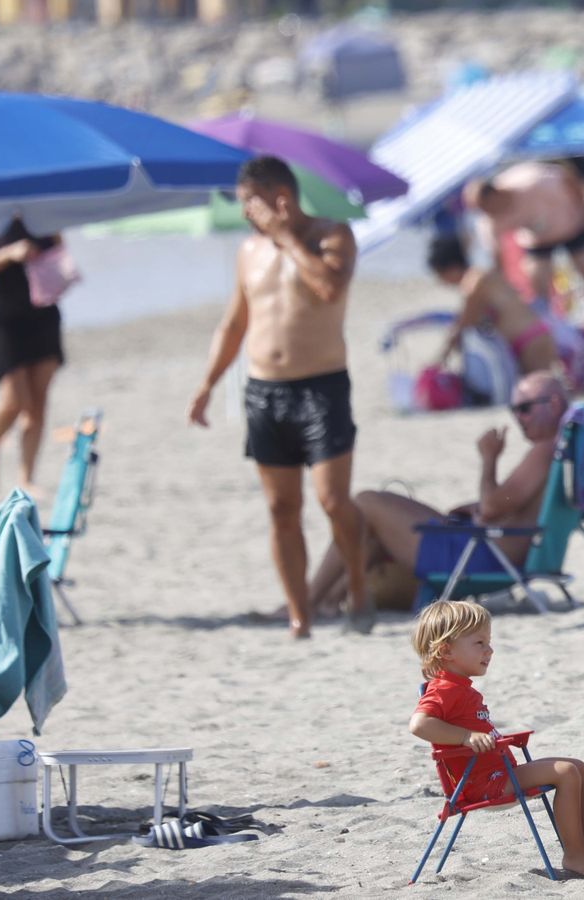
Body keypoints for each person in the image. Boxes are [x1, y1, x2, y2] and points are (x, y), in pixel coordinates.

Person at [187, 155, 369, 639]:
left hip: (322, 387)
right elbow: (235, 322)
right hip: (265, 392)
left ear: (281, 198)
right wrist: (206, 385)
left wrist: (288, 238)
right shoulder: (248, 251)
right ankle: (299, 615)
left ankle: (357, 583)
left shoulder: (332, 236)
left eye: (251, 201)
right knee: (281, 509)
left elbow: (329, 289)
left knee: (332, 501)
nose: (245, 212)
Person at [305, 372, 570, 617]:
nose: (518, 418)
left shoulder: (545, 450)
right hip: (489, 546)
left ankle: (308, 602)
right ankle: (328, 600)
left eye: (525, 409)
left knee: (366, 503)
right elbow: (515, 506)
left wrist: (489, 459)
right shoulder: (563, 451)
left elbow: (491, 508)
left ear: (554, 404)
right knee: (373, 527)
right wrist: (479, 508)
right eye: (514, 410)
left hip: (480, 557)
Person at [409, 600, 584, 879]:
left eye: (489, 642)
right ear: (446, 650)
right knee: (567, 772)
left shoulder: (461, 688)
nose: (490, 650)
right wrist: (465, 737)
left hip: (499, 773)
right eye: (479, 643)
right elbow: (419, 724)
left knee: (579, 767)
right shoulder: (443, 689)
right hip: (484, 784)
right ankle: (574, 854)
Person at [464, 162, 584, 380]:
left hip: (572, 228)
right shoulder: (490, 220)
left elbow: (570, 178)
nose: (491, 214)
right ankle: (555, 357)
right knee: (539, 301)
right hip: (537, 243)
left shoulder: (532, 181)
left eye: (489, 208)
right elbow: (499, 262)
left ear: (496, 195)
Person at [0, 218, 64, 490]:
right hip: (1, 319)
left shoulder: (45, 217)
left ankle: (26, 478)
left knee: (37, 404)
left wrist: (59, 272)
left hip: (42, 314)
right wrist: (9, 254)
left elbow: (60, 256)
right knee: (13, 399)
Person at [426, 234, 560, 376]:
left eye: (440, 276)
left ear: (451, 268)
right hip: (534, 333)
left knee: (539, 391)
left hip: (528, 340)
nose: (443, 282)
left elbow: (463, 325)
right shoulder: (486, 274)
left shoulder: (473, 283)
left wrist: (439, 359)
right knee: (540, 388)